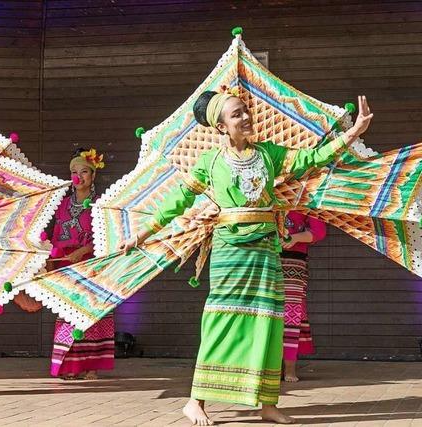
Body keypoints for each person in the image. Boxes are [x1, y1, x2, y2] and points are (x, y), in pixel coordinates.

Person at [121, 90, 372, 425]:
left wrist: (352, 133)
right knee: (222, 322)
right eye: (237, 114)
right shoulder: (209, 162)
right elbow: (178, 200)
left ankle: (267, 403)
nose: (246, 117)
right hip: (230, 251)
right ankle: (196, 400)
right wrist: (142, 233)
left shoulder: (269, 153)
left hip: (267, 248)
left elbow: (313, 158)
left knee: (267, 323)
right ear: (222, 126)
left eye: (245, 111)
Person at [48, 148, 115, 380]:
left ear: (93, 175)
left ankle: (91, 367)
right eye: (74, 172)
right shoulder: (62, 204)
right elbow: (56, 234)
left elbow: (107, 237)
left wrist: (85, 250)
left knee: (90, 314)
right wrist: (51, 260)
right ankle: (69, 367)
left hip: (91, 266)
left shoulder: (100, 204)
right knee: (67, 314)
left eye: (84, 171)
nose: (79, 176)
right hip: (65, 266)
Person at [281, 211, 326, 382]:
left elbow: (319, 231)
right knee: (265, 314)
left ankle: (290, 369)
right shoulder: (264, 194)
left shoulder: (307, 199)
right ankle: (269, 367)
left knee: (291, 315)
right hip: (265, 260)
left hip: (294, 262)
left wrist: (295, 238)